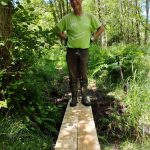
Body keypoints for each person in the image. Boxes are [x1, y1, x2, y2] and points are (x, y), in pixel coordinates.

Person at [56, 0, 104, 107]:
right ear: (70, 3)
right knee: (72, 75)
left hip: (84, 51)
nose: (74, 2)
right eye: (71, 1)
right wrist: (66, 38)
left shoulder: (89, 17)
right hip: (71, 51)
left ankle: (85, 97)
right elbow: (57, 30)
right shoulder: (67, 18)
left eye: (76, 0)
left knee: (84, 74)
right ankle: (74, 98)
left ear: (81, 1)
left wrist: (93, 37)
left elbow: (101, 28)